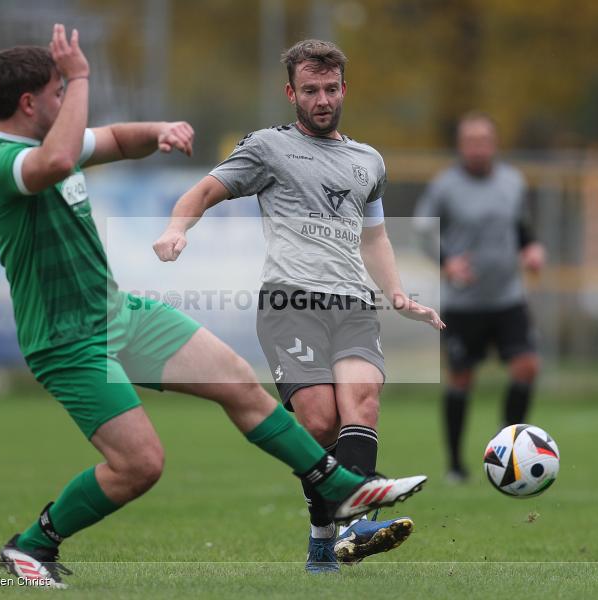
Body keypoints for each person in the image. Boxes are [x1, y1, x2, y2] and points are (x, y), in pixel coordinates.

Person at [0, 26, 428, 589]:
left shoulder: (49, 149)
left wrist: (159, 133)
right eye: (57, 95)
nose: (64, 102)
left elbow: (114, 140)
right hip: (67, 339)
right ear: (28, 104)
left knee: (239, 382)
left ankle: (342, 492)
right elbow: (63, 155)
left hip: (121, 313)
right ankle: (32, 545)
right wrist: (82, 75)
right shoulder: (2, 165)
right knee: (140, 465)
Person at [153, 39, 444, 573]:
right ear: (291, 92)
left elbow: (374, 238)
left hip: (354, 303)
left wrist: (397, 292)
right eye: (310, 90)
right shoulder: (267, 148)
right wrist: (176, 230)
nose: (322, 100)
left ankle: (355, 527)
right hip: (291, 302)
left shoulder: (368, 160)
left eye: (331, 89)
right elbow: (202, 192)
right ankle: (322, 532)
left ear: (344, 89)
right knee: (318, 422)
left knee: (363, 400)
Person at [414, 112, 544, 483]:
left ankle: (510, 442)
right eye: (469, 141)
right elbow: (423, 231)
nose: (477, 148)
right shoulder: (444, 186)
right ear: (460, 146)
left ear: (495, 143)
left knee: (527, 366)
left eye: (483, 141)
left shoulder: (512, 181)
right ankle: (455, 465)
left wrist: (532, 248)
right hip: (463, 303)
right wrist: (446, 263)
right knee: (461, 378)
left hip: (507, 297)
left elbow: (521, 226)